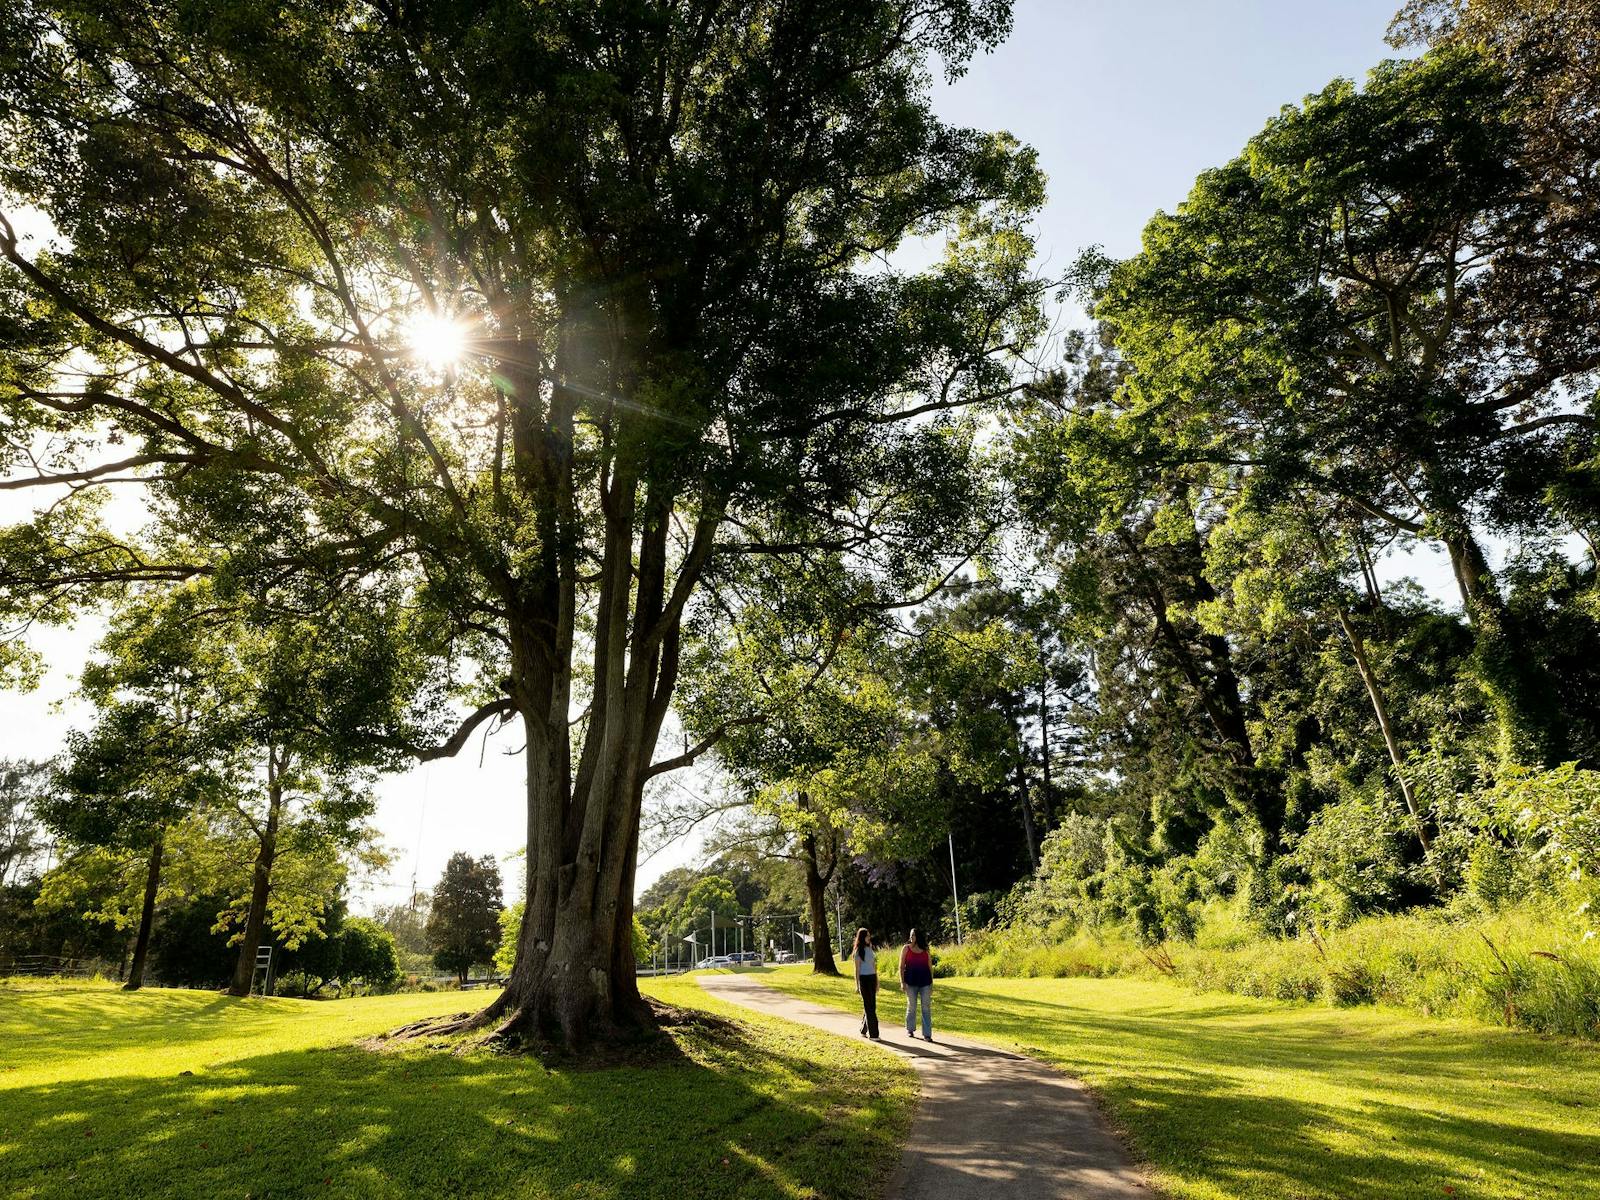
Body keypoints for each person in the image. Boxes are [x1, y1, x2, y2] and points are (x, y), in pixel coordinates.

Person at [899, 927, 934, 1040]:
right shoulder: (906, 949)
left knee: (926, 1007)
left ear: (918, 936)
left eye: (913, 935)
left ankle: (927, 1034)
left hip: (925, 982)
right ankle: (910, 1029)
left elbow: (930, 967)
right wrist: (902, 982)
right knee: (912, 1006)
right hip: (910, 982)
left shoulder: (925, 950)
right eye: (910, 935)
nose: (911, 937)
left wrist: (932, 984)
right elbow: (901, 966)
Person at [851, 927, 880, 1039]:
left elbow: (874, 967)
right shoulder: (858, 951)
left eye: (869, 935)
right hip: (864, 979)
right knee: (869, 1007)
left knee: (871, 1006)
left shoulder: (870, 949)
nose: (869, 938)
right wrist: (857, 985)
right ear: (862, 937)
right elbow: (857, 970)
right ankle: (874, 1034)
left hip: (872, 978)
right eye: (867, 936)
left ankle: (864, 1029)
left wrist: (877, 982)